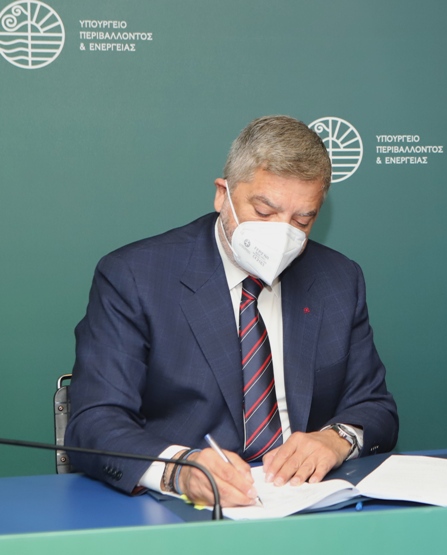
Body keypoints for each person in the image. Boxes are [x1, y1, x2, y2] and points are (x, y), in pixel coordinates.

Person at [66, 115, 398, 506]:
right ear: (222, 195)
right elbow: (95, 421)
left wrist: (335, 440)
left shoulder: (338, 279)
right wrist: (180, 470)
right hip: (181, 507)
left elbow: (375, 408)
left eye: (302, 220)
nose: (282, 233)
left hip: (307, 499)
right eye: (264, 211)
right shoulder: (135, 277)